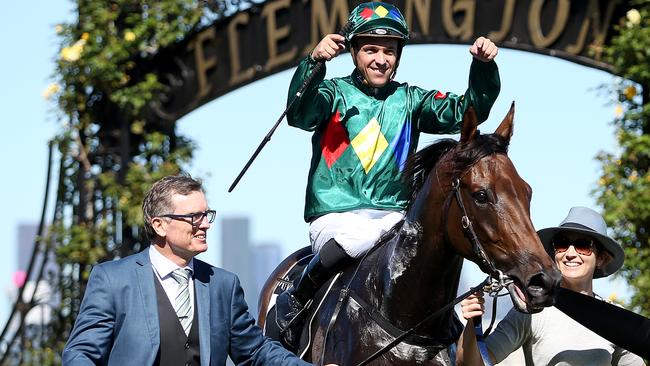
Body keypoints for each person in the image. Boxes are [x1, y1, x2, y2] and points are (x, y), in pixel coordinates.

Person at [275, 1, 501, 350]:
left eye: (390, 51)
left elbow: (466, 111)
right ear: (352, 52)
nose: (381, 59)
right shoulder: (332, 94)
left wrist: (483, 68)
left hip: (394, 216)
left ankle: (449, 328)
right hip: (336, 216)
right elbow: (299, 114)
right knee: (357, 238)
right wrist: (314, 62)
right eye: (371, 49)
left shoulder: (410, 100)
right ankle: (297, 298)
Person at [63, 174, 337, 366]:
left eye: (207, 215)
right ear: (159, 225)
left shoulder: (223, 285)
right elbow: (81, 354)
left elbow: (255, 352)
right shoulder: (113, 280)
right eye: (194, 217)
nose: (205, 224)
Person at [456, 206, 645, 366]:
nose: (570, 253)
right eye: (562, 244)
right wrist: (473, 323)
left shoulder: (615, 318)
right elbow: (471, 363)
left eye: (583, 245)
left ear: (601, 258)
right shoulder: (533, 311)